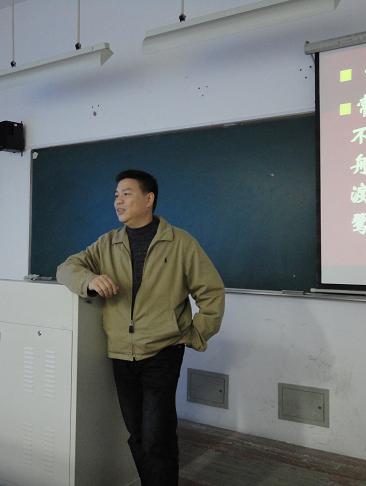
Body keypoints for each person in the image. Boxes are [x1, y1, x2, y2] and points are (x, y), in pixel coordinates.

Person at [56, 169, 225, 486]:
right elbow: (66, 268)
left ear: (149, 199)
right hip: (121, 352)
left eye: (126, 193)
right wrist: (89, 279)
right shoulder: (108, 243)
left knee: (157, 434)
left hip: (162, 351)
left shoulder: (180, 243)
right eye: (116, 195)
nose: (118, 201)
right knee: (136, 433)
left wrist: (195, 333)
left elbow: (212, 293)